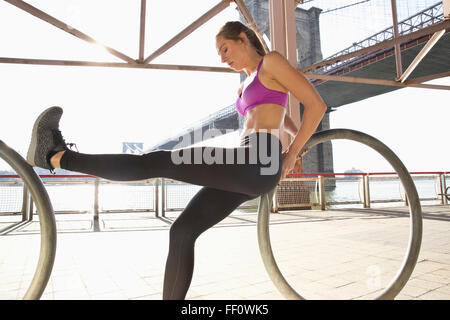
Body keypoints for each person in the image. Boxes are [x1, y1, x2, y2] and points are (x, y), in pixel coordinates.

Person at [26, 21, 327, 300]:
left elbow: (316, 105)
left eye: (225, 48)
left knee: (155, 161)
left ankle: (55, 156)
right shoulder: (244, 85)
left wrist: (290, 154)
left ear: (244, 38)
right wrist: (292, 145)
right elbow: (282, 113)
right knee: (182, 231)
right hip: (250, 165)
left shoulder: (271, 62)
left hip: (259, 160)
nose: (222, 58)